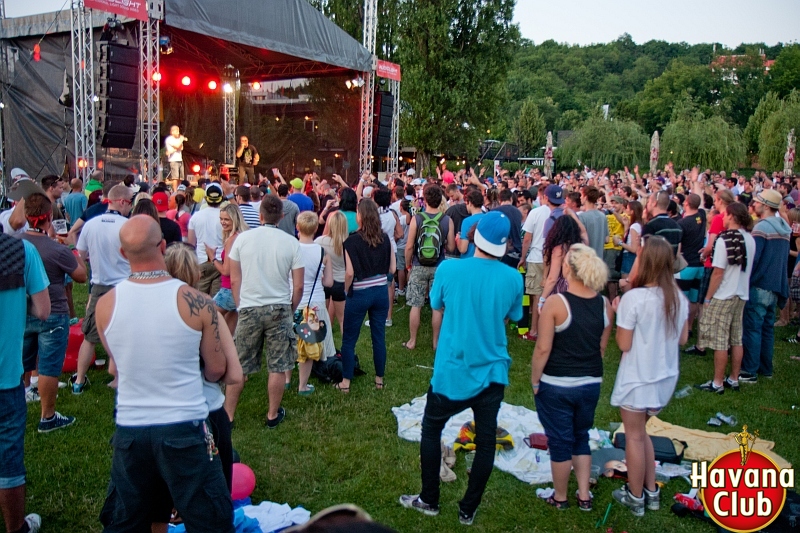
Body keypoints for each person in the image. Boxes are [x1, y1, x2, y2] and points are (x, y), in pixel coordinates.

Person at [94, 215, 234, 533]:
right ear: (161, 246)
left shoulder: (105, 305)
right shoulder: (196, 302)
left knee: (128, 518)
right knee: (210, 518)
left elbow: (119, 366)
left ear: (121, 252)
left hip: (131, 427)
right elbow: (215, 369)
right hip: (184, 424)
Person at [399, 211, 522, 526]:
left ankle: (430, 498)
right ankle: (467, 509)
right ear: (505, 243)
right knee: (484, 442)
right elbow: (513, 316)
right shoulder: (512, 277)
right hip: (491, 371)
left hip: (453, 370)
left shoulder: (450, 269)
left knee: (432, 429)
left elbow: (437, 305)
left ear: (476, 236)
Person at [610, 236, 689, 516]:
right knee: (642, 434)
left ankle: (635, 497)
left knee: (633, 436)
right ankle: (651, 491)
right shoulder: (678, 298)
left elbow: (623, 344)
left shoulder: (635, 299)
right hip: (664, 378)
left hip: (638, 377)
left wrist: (619, 311)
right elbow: (682, 339)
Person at [532, 244, 612, 511]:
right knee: (581, 436)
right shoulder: (604, 304)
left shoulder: (557, 302)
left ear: (568, 268)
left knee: (559, 440)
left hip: (558, 383)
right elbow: (601, 348)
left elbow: (543, 348)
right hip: (591, 381)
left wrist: (535, 380)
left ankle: (560, 496)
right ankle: (584, 495)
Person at [164, 241, 243, 492]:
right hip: (203, 407)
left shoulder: (144, 310)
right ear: (196, 274)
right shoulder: (205, 310)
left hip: (158, 411)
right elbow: (227, 372)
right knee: (216, 489)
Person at [226, 196, 304, 428]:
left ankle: (228, 416)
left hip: (250, 306)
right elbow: (298, 285)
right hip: (279, 306)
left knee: (239, 363)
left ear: (260, 215)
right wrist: (290, 308)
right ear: (281, 216)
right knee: (278, 364)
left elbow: (234, 278)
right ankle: (272, 414)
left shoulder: (243, 240)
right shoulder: (291, 242)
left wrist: (240, 304)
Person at [20, 193, 87, 432]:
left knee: (21, 363)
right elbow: (81, 276)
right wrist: (70, 247)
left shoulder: (15, 243)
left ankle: (18, 405)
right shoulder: (55, 248)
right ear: (49, 217)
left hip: (22, 310)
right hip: (54, 311)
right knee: (49, 365)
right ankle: (47, 417)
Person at [0, 231, 50, 533]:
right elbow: (43, 310)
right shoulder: (20, 250)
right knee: (8, 459)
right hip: (6, 378)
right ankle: (15, 527)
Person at [71, 185, 133, 394]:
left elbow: (79, 254)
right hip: (124, 286)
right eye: (130, 202)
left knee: (90, 335)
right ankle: (120, 378)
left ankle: (79, 380)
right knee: (125, 334)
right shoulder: (127, 225)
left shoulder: (91, 224)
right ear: (122, 202)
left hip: (99, 285)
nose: (131, 206)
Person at [694, 202, 755, 394]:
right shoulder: (750, 239)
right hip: (741, 293)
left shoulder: (724, 240)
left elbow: (718, 272)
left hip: (723, 294)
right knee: (736, 337)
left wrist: (708, 297)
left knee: (721, 341)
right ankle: (734, 378)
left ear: (731, 216)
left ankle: (717, 382)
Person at [338, 200, 396, 393]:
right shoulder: (385, 238)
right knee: (378, 336)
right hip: (380, 291)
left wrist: (346, 291)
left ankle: (346, 381)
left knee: (349, 338)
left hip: (360, 292)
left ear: (360, 216)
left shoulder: (351, 241)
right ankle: (379, 379)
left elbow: (349, 273)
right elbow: (393, 268)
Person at [740, 189, 791, 383]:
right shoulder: (784, 228)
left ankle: (749, 371)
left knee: (753, 328)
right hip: (776, 285)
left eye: (757, 202)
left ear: (766, 206)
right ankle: (766, 368)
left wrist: (747, 279)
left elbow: (754, 257)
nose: (754, 205)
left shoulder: (761, 228)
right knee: (767, 329)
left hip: (759, 284)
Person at [403, 185, 454, 351]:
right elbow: (452, 247)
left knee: (416, 304)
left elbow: (409, 246)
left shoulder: (417, 219)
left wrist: (408, 264)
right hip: (439, 266)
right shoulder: (447, 220)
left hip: (419, 265)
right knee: (437, 306)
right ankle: (436, 343)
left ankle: (412, 341)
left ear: (424, 200)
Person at [292, 212, 334, 395]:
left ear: (297, 227)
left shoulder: (291, 249)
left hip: (293, 300)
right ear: (316, 229)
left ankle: (286, 379)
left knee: (290, 342)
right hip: (315, 302)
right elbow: (329, 283)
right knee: (309, 343)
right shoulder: (323, 252)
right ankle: (302, 385)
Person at [518, 189, 553, 341]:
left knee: (536, 295)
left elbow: (527, 238)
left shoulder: (536, 212)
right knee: (550, 294)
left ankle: (534, 330)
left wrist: (522, 257)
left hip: (536, 257)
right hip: (554, 258)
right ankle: (548, 329)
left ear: (543, 197)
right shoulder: (560, 213)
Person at [209, 204, 248, 335]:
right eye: (221, 219)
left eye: (226, 219)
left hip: (228, 290)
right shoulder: (242, 237)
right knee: (229, 333)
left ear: (234, 220)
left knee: (207, 316)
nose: (222, 222)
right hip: (239, 290)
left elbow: (226, 271)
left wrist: (213, 258)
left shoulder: (232, 240)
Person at [675, 194, 707, 332]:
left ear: (686, 203)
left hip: (685, 265)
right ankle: (689, 327)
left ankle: (680, 329)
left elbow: (678, 246)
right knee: (693, 300)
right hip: (699, 265)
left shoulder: (682, 224)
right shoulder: (701, 216)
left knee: (681, 298)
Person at [187, 183, 225, 296]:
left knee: (200, 299)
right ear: (221, 198)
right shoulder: (226, 217)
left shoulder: (195, 217)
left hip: (202, 261)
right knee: (217, 301)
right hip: (220, 262)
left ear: (205, 198)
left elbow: (191, 244)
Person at [316, 211, 349, 337]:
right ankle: (347, 350)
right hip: (340, 282)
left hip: (323, 281)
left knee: (319, 317)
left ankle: (319, 347)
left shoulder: (320, 241)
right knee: (342, 320)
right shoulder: (348, 244)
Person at [373, 189, 403, 327]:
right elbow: (400, 233)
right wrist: (392, 239)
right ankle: (388, 317)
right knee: (390, 285)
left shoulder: (374, 216)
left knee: (375, 283)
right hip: (392, 250)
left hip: (377, 250)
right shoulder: (393, 214)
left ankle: (376, 316)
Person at [540, 215, 583, 305]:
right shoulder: (581, 245)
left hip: (562, 288)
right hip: (580, 285)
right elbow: (584, 232)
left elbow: (552, 278)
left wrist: (542, 299)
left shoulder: (560, 249)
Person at [493, 189, 523, 268]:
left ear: (500, 200)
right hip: (517, 251)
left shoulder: (494, 212)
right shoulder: (518, 212)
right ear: (511, 199)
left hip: (501, 252)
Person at [577, 187, 609, 260]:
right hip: (599, 259)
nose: (580, 198)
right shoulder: (602, 216)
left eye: (581, 195)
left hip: (586, 259)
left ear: (586, 197)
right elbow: (606, 239)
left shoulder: (582, 217)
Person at [614, 200, 643, 278]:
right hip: (631, 256)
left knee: (626, 283)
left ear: (632, 211)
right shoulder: (638, 224)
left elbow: (633, 248)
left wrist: (619, 242)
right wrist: (626, 225)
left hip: (629, 257)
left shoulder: (635, 226)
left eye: (627, 208)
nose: (625, 210)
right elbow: (628, 239)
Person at [456, 190, 485, 260]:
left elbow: (463, 249)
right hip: (484, 260)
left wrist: (458, 239)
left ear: (470, 203)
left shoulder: (467, 221)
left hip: (468, 260)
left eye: (466, 203)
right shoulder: (487, 218)